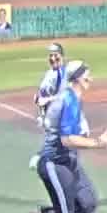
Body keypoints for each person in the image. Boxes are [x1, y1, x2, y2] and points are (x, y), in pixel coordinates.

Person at [28, 59, 107, 213]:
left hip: (69, 162)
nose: (90, 78)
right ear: (77, 79)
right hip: (55, 163)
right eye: (86, 75)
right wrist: (98, 143)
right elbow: (67, 140)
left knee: (87, 202)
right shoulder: (68, 100)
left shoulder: (72, 99)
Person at [30, 42, 66, 170]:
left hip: (58, 115)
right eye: (50, 55)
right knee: (55, 142)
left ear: (61, 56)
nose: (52, 58)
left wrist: (47, 100)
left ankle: (42, 159)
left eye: (55, 55)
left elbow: (64, 95)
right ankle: (45, 160)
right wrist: (40, 106)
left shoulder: (62, 73)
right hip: (49, 115)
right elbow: (42, 93)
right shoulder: (50, 72)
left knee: (58, 142)